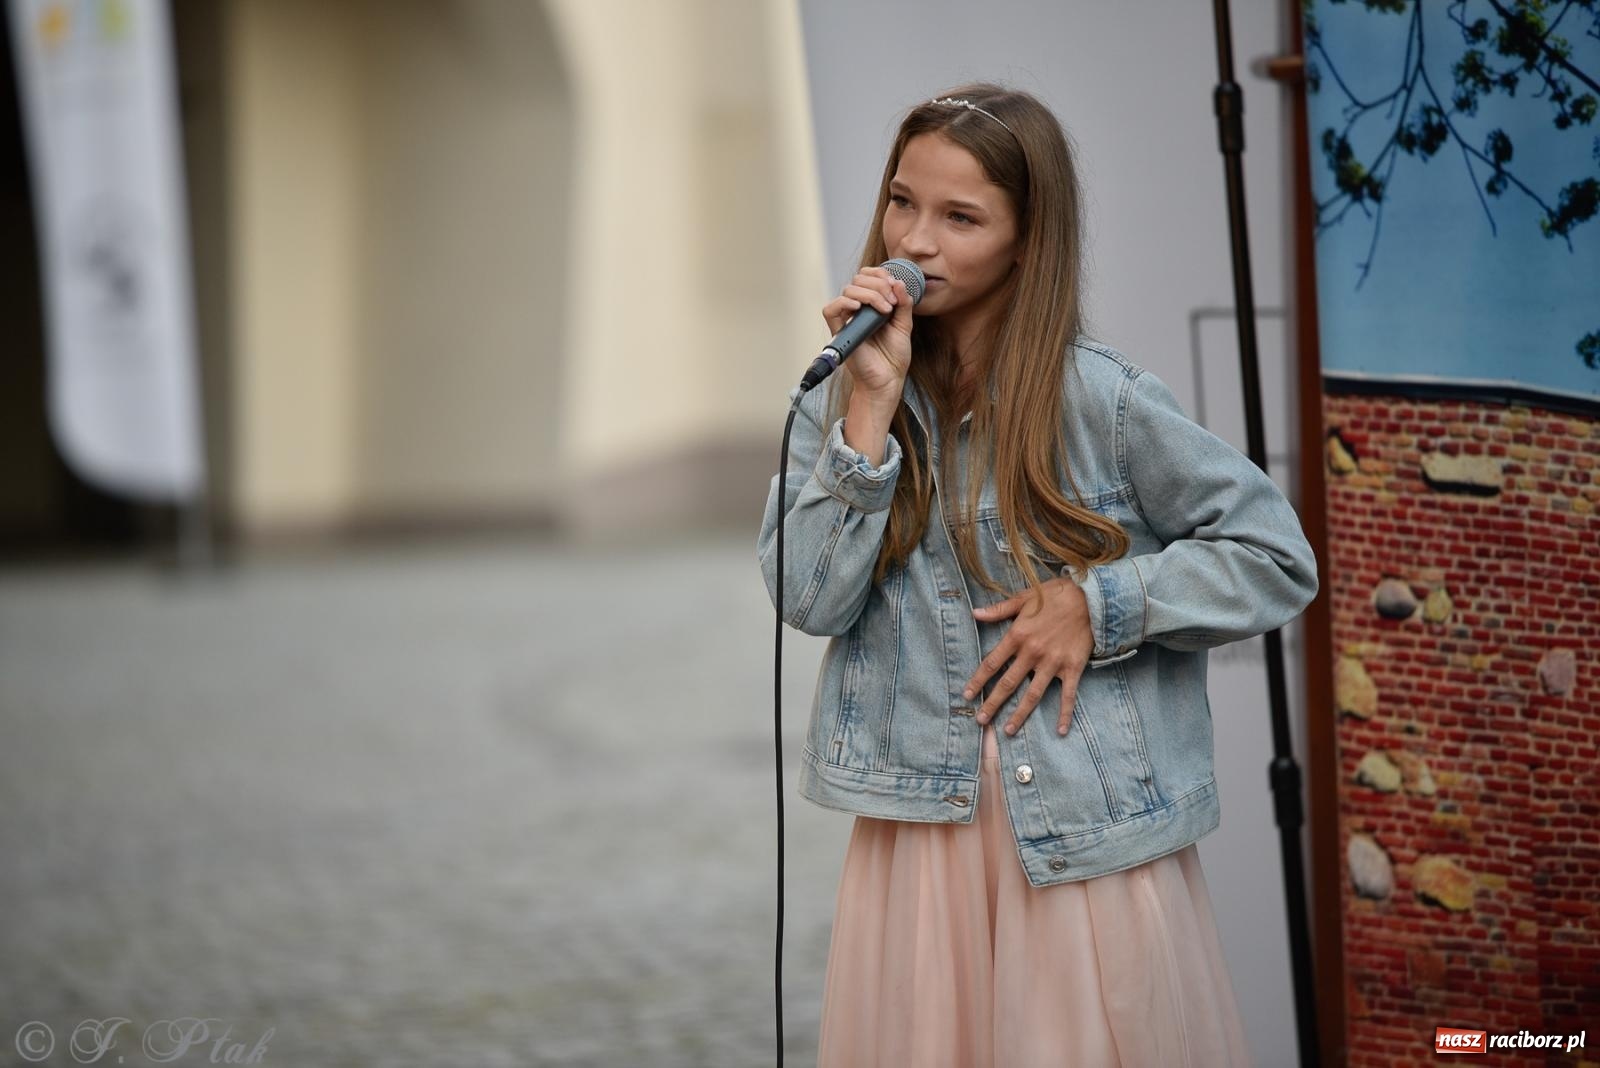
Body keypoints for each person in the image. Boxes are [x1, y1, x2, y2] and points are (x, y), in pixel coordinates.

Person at [756, 82, 1318, 1067]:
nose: (913, 243)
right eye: (901, 202)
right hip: (919, 843)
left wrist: (1097, 605)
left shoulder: (1101, 400)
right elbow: (807, 598)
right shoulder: (848, 390)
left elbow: (1274, 558)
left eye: (959, 217)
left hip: (1079, 846)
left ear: (1028, 238)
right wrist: (868, 416)